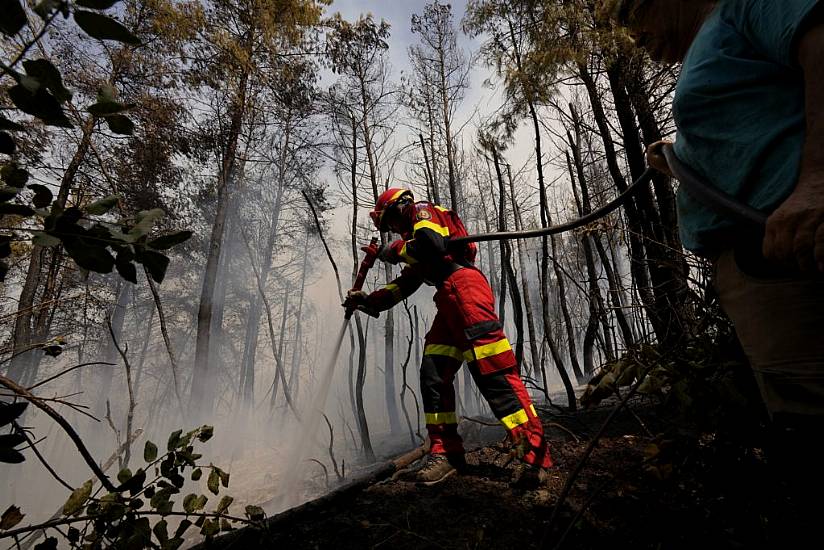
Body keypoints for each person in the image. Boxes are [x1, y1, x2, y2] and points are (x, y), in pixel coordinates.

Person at [602, 0, 824, 535]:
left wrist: (818, 179)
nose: (633, 34)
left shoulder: (743, 4)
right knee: (799, 437)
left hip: (796, 266)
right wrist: (681, 156)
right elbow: (753, 134)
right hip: (763, 271)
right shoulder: (714, 40)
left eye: (635, 12)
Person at [344, 188, 553, 486]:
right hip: (449, 298)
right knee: (433, 374)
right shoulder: (415, 242)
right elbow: (406, 284)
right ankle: (446, 454)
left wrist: (392, 251)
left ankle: (535, 457)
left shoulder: (422, 212)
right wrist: (367, 301)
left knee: (495, 375)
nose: (390, 229)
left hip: (465, 291)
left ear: (398, 208)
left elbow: (430, 243)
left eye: (388, 222)